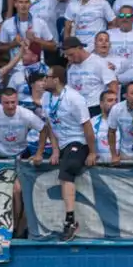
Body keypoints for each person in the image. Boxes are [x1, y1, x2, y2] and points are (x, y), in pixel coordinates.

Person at [42, 66, 96, 241]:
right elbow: (50, 124)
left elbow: (87, 127)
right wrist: (55, 149)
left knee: (68, 169)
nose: (44, 80)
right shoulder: (46, 97)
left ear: (56, 80)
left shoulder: (74, 98)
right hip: (61, 141)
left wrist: (92, 152)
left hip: (78, 140)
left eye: (46, 77)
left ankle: (70, 220)